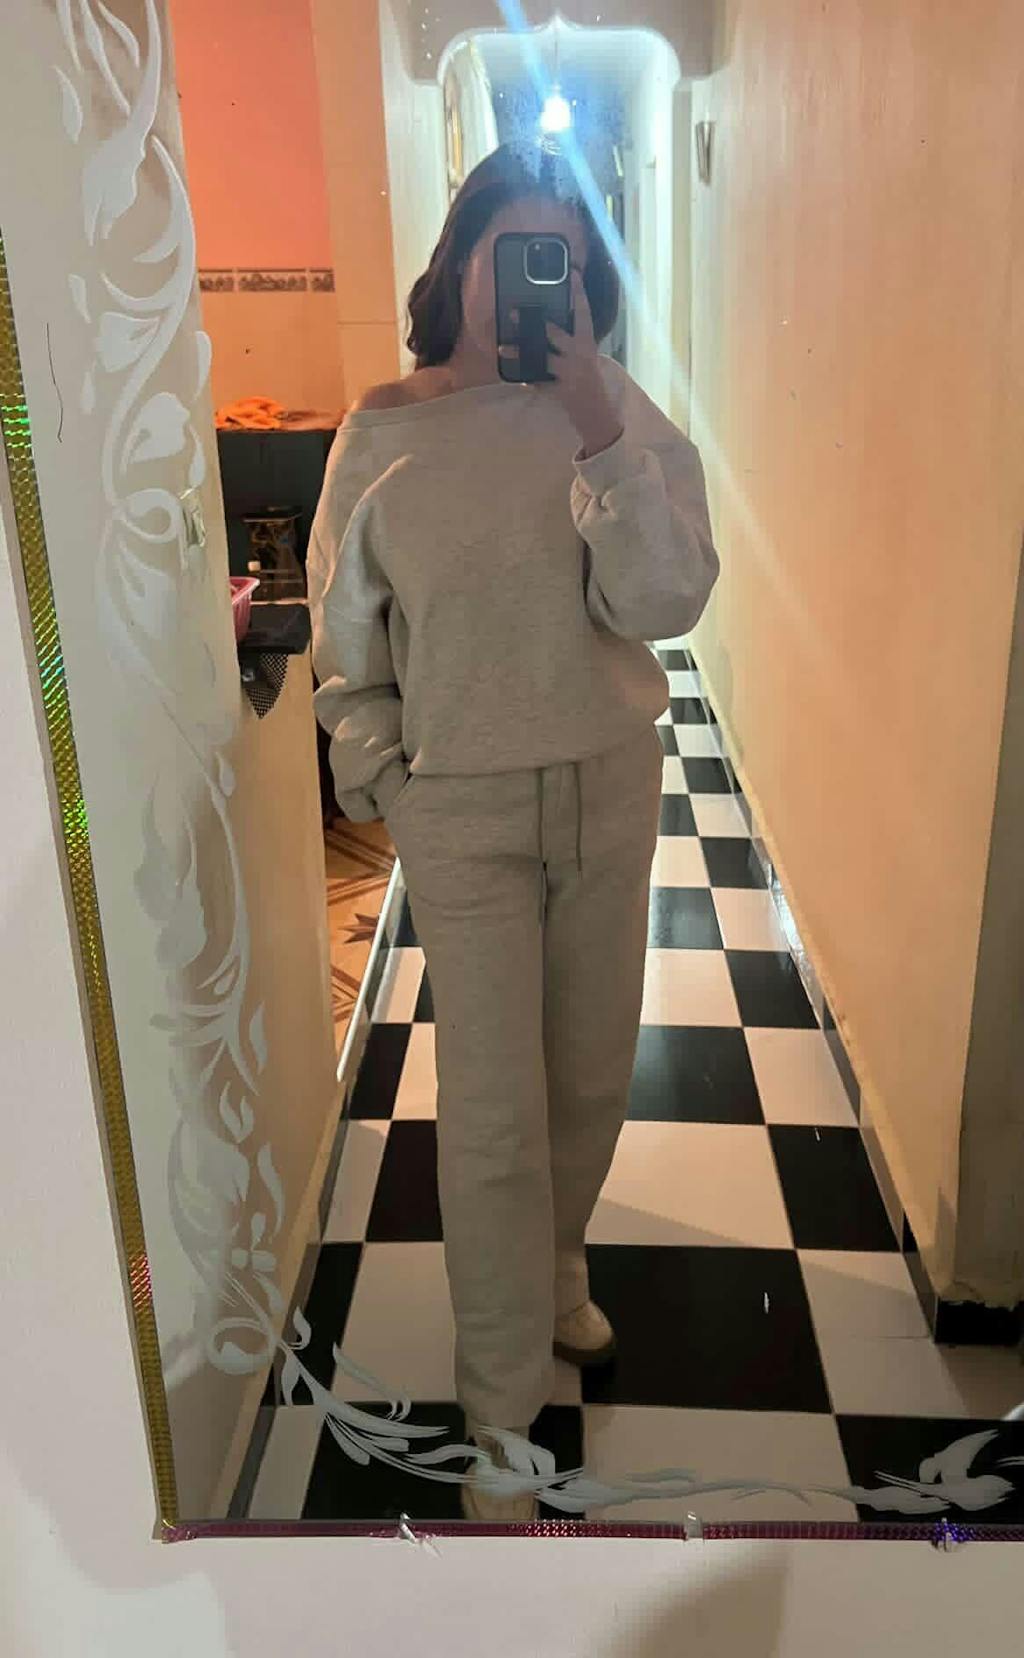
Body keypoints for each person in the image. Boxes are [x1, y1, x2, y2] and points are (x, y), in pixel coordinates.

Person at [307, 145, 719, 1522]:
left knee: (590, 1076)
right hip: (465, 810)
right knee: (492, 1116)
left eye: (568, 264)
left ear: (589, 286)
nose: (536, 287)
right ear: (460, 262)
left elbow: (666, 604)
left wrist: (597, 423)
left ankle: (557, 1275)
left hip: (607, 782)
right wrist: (391, 782)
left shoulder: (617, 417)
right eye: (513, 255)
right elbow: (346, 641)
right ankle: (498, 1413)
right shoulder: (382, 432)